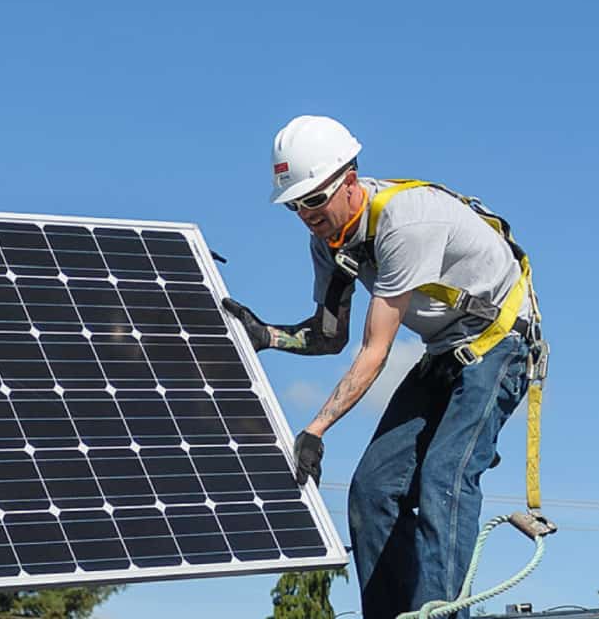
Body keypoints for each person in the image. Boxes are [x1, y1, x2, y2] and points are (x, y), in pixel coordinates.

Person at [221, 116, 541, 619]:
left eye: (313, 200)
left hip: (499, 349)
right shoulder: (330, 242)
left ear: (348, 180)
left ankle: (436, 613)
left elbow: (375, 350)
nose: (305, 214)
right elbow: (330, 337)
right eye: (295, 205)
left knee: (443, 480)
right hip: (443, 354)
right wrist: (269, 337)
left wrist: (316, 428)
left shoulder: (404, 224)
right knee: (371, 490)